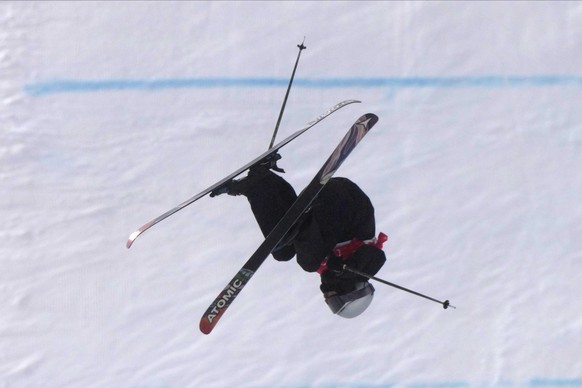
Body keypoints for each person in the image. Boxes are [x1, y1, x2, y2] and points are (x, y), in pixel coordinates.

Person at [211, 157, 387, 318]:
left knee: (282, 250)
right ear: (349, 291)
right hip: (344, 200)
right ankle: (263, 185)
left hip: (323, 208)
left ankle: (259, 183)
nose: (327, 298)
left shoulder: (330, 269)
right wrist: (346, 268)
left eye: (331, 305)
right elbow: (377, 258)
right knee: (308, 262)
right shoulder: (362, 270)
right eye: (335, 301)